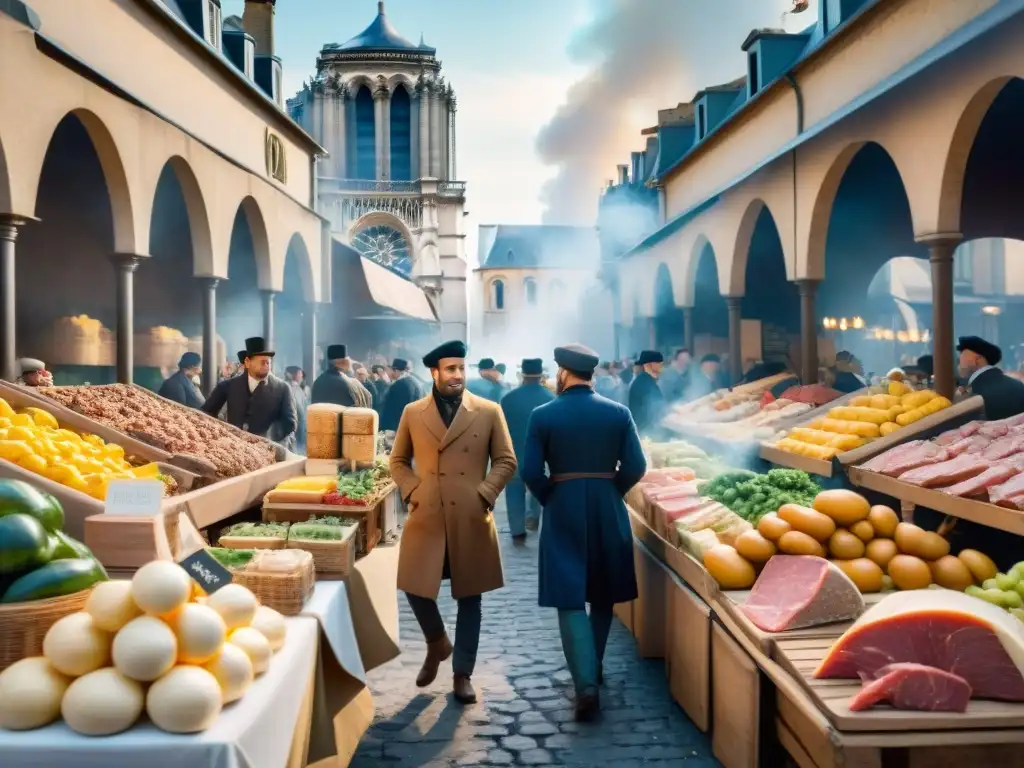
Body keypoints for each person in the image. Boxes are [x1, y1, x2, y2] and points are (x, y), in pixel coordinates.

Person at [521, 343, 646, 721]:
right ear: (591, 374)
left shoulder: (543, 415)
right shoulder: (619, 413)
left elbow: (529, 471)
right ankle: (595, 664)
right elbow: (637, 465)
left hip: (563, 506)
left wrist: (551, 498)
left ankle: (585, 683)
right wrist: (612, 490)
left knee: (570, 595)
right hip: (608, 504)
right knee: (603, 592)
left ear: (562, 373)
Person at [389, 340, 517, 705]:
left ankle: (463, 674)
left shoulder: (489, 410)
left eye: (461, 368)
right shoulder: (414, 412)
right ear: (435, 372)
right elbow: (397, 461)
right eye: (450, 368)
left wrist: (484, 494)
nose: (457, 375)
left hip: (470, 516)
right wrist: (414, 490)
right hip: (427, 514)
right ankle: (437, 642)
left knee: (469, 597)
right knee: (414, 586)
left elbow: (507, 461)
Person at [201, 337, 297, 445]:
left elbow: (290, 424)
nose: (266, 365)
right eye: (262, 362)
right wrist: (220, 436)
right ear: (247, 362)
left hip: (268, 451)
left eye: (268, 362)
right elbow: (206, 414)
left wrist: (270, 439)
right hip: (234, 449)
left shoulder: (282, 388)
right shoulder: (227, 386)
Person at [499, 358, 554, 544]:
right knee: (538, 488)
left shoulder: (508, 399)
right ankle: (534, 517)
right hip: (540, 456)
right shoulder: (551, 399)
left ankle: (517, 530)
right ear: (541, 376)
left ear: (522, 375)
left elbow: (500, 430)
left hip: (512, 453)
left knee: (514, 491)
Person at [958, 336, 1024, 420]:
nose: (959, 360)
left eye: (962, 354)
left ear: (977, 359)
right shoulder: (1018, 385)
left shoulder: (971, 393)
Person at [311, 345, 373, 409]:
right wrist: (365, 381)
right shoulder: (348, 384)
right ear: (343, 361)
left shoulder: (317, 383)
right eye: (348, 359)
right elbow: (370, 400)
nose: (350, 363)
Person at [628, 350, 666, 437]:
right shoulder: (644, 383)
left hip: (644, 430)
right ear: (648, 365)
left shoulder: (644, 380)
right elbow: (654, 409)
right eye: (658, 362)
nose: (662, 365)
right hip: (646, 432)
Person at [381, 358, 421, 432]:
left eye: (392, 370)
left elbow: (390, 409)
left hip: (397, 429)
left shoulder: (397, 386)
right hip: (414, 427)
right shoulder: (416, 383)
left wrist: (383, 428)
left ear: (396, 370)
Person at [284, 366, 308, 452]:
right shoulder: (293, 389)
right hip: (298, 426)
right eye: (299, 373)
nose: (301, 376)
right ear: (292, 375)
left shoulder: (297, 388)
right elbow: (301, 411)